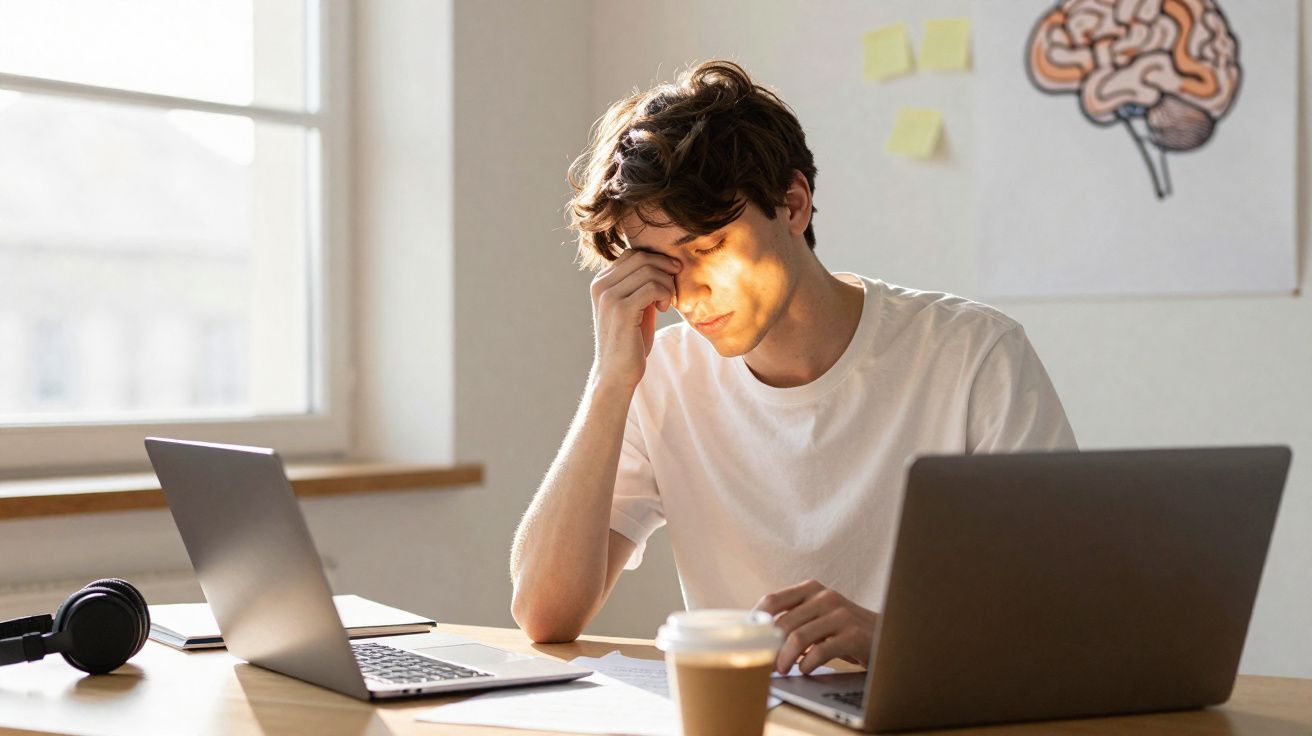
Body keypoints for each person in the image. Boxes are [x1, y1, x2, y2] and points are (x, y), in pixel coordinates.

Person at [509, 60, 1076, 675]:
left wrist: (892, 638)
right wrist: (608, 383)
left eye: (707, 248)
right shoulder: (660, 375)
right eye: (659, 263)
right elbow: (545, 613)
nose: (687, 293)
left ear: (793, 205)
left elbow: (1063, 614)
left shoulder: (973, 355)